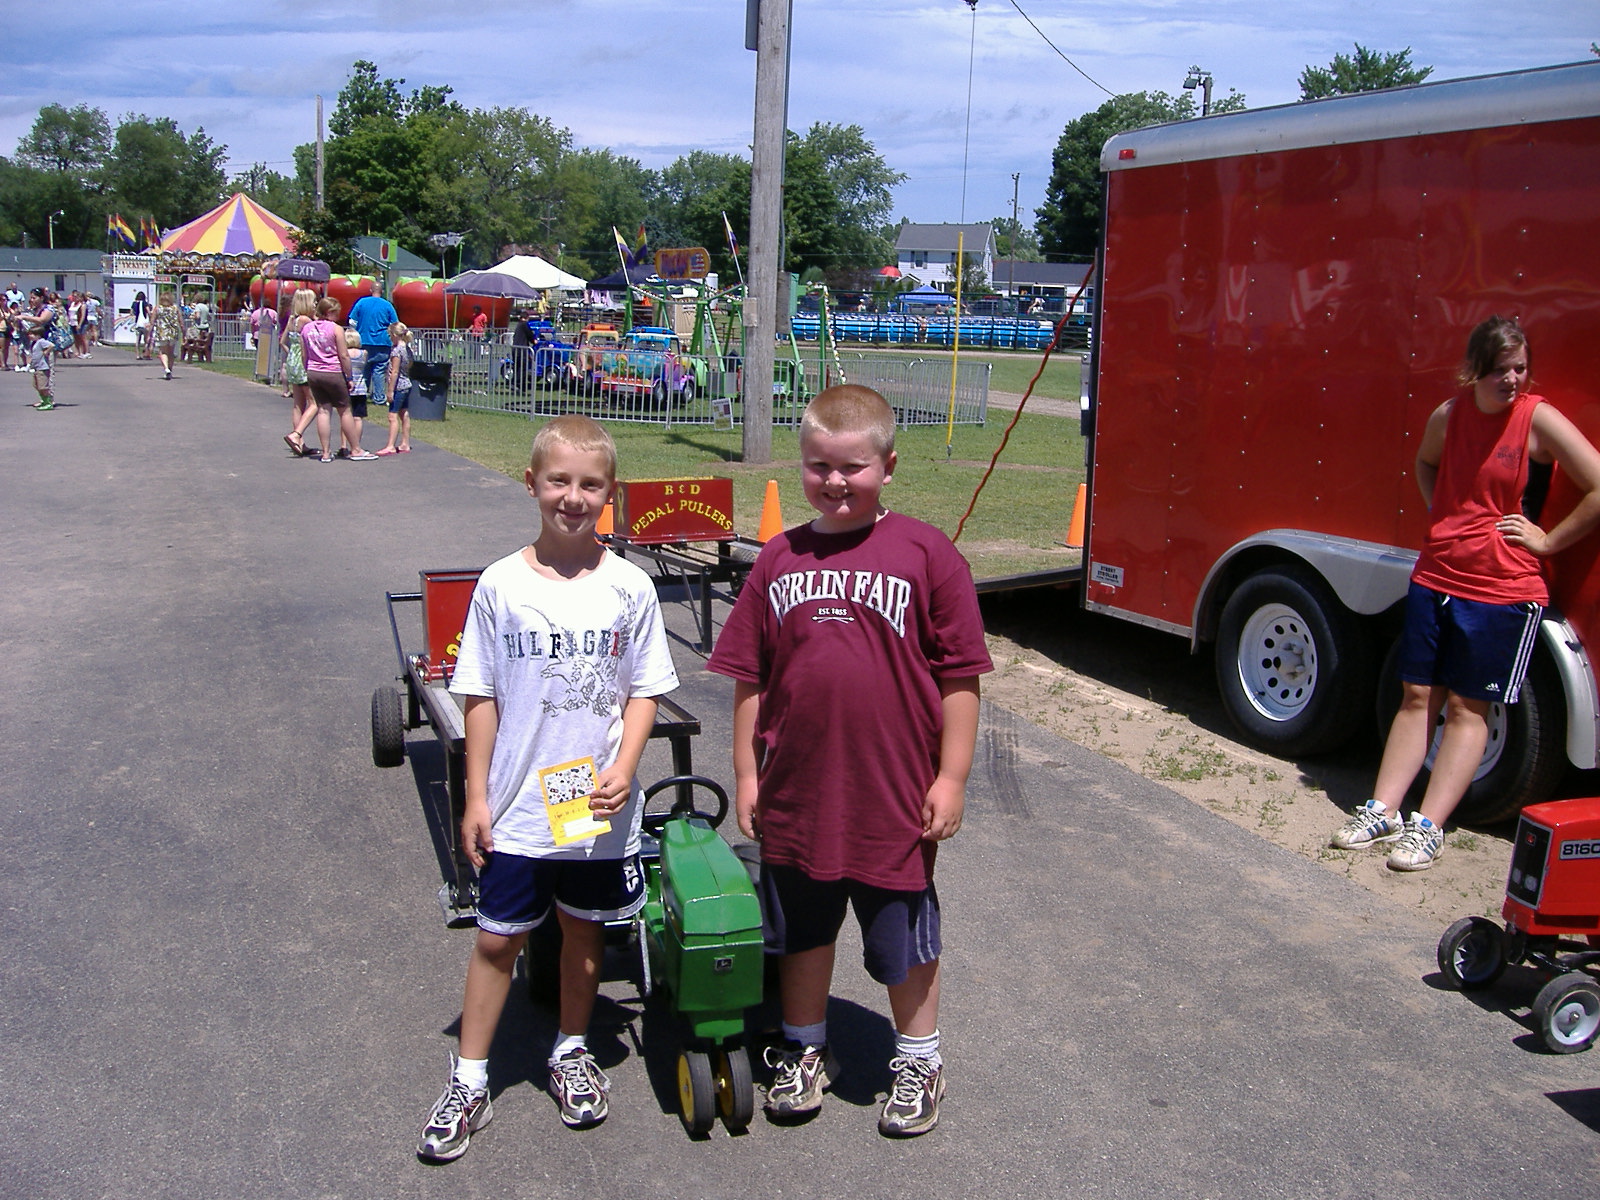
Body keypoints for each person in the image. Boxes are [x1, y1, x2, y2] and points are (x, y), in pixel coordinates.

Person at [705, 384, 992, 1137]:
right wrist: (747, 774)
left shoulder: (927, 554)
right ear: (801, 463)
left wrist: (952, 776)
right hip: (796, 793)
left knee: (901, 936)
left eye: (853, 467)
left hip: (893, 796)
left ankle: (919, 1059)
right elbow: (750, 679)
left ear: (888, 467)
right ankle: (804, 1048)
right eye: (819, 466)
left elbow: (961, 678)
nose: (835, 481)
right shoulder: (779, 557)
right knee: (802, 929)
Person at [415, 415, 679, 1162]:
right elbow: (480, 697)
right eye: (558, 481)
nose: (573, 497)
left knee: (583, 932)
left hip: (591, 801)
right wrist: (475, 797)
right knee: (498, 939)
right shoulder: (500, 584)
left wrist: (626, 765)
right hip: (521, 804)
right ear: (531, 483)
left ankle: (570, 1049)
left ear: (610, 493)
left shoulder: (629, 586)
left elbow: (645, 691)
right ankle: (470, 1079)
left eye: (590, 484)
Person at [1330, 316, 1600, 871]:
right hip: (1435, 577)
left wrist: (1547, 541)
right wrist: (1444, 515)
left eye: (1520, 368)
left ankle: (1428, 828)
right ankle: (1382, 810)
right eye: (1500, 369)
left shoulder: (1537, 419)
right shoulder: (1449, 415)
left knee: (1466, 706)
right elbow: (1425, 462)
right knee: (1416, 695)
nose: (1512, 379)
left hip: (1503, 588)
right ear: (1475, 370)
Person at [300, 297, 373, 463]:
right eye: (336, 312)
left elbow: (304, 354)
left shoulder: (306, 329)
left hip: (313, 371)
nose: (338, 316)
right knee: (344, 410)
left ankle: (326, 452)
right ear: (329, 312)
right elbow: (343, 355)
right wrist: (349, 376)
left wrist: (307, 369)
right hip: (333, 371)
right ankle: (356, 449)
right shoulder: (336, 329)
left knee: (323, 410)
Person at [280, 290, 317, 454]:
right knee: (314, 403)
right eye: (313, 301)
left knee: (298, 404)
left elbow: (283, 341)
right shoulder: (306, 321)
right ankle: (297, 434)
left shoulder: (292, 320)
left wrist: (291, 353)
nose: (315, 304)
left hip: (292, 362)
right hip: (303, 362)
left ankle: (300, 443)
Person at [346, 289, 398, 402]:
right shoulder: (387, 305)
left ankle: (361, 394)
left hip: (363, 340)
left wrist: (355, 332)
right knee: (379, 371)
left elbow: (352, 321)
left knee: (364, 369)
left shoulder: (361, 302)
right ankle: (379, 398)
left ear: (371, 290)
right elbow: (395, 324)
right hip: (382, 342)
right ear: (382, 291)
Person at [376, 321, 414, 455]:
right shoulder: (407, 349)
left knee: (392, 415)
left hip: (399, 386)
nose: (390, 338)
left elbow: (395, 372)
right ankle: (405, 443)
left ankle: (390, 445)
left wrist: (390, 390)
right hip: (407, 384)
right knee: (404, 413)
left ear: (394, 335)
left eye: (390, 335)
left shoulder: (397, 351)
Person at [150, 293, 185, 380]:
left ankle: (166, 369)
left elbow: (152, 322)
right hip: (173, 332)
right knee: (171, 352)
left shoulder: (157, 308)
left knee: (163, 352)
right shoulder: (175, 308)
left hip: (162, 332)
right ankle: (170, 370)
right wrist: (184, 332)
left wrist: (150, 333)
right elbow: (181, 321)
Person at [27, 329, 54, 410]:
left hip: (43, 367)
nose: (29, 336)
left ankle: (48, 402)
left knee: (42, 387)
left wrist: (46, 352)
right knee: (36, 385)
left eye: (32, 334)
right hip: (37, 367)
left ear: (38, 335)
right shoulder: (34, 343)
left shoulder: (41, 341)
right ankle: (44, 400)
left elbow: (51, 345)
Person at [129, 291, 152, 357]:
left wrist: (136, 315)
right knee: (146, 339)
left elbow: (131, 312)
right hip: (144, 323)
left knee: (137, 340)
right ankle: (145, 351)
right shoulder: (144, 303)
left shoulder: (134, 303)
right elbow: (148, 312)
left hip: (138, 323)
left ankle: (137, 355)